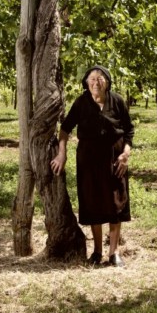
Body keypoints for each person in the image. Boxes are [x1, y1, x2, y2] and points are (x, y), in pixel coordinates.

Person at [50, 65, 134, 267]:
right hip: (88, 161)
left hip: (115, 160)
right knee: (93, 202)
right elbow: (65, 129)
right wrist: (62, 154)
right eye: (92, 79)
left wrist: (126, 154)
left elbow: (129, 131)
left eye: (100, 78)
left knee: (116, 204)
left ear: (108, 81)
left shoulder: (117, 101)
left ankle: (114, 253)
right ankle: (97, 251)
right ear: (86, 83)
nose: (96, 82)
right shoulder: (81, 102)